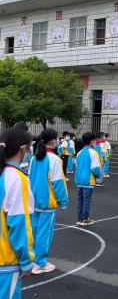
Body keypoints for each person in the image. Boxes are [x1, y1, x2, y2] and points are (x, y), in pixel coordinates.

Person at [0, 123, 35, 299]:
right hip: (5, 260)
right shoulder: (16, 178)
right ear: (23, 149)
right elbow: (19, 223)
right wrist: (27, 260)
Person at [29, 128, 68, 275]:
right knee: (44, 235)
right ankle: (40, 264)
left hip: (33, 203)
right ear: (53, 141)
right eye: (57, 139)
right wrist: (63, 201)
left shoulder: (34, 158)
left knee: (33, 233)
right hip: (47, 204)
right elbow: (58, 183)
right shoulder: (55, 160)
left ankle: (32, 260)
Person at [75, 132, 102, 226]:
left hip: (79, 180)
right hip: (88, 180)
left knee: (80, 200)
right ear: (91, 141)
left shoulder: (79, 153)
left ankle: (80, 218)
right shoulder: (93, 152)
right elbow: (96, 168)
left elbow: (77, 166)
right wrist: (98, 176)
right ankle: (85, 218)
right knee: (86, 200)